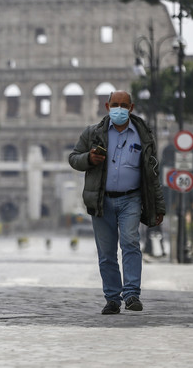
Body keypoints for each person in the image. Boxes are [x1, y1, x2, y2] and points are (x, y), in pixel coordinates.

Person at [68, 90, 165, 315]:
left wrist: (159, 205)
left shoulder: (144, 135)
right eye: (115, 104)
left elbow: (152, 174)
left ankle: (131, 294)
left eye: (124, 105)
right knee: (106, 252)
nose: (119, 109)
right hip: (101, 199)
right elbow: (73, 158)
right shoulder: (93, 133)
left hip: (131, 197)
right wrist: (89, 159)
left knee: (131, 242)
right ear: (107, 106)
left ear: (131, 108)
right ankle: (112, 298)